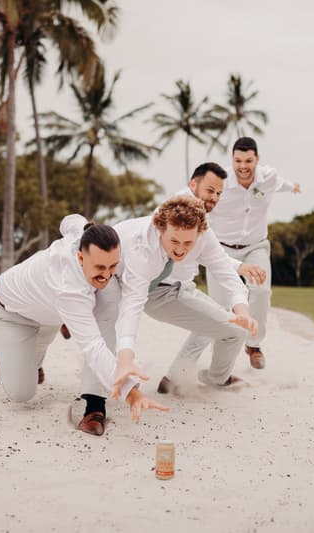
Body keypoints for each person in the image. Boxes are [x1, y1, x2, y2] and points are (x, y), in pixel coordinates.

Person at [0, 214, 167, 436]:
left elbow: (68, 220)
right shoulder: (69, 290)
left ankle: (94, 404)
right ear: (80, 258)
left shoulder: (81, 235)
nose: (107, 275)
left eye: (113, 266)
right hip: (11, 314)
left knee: (110, 294)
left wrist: (84, 226)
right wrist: (132, 393)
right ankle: (4, 355)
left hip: (50, 312)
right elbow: (93, 348)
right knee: (21, 393)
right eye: (100, 267)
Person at [104, 194, 258, 407]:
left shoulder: (204, 235)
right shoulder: (142, 248)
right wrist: (127, 357)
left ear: (200, 233)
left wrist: (242, 312)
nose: (180, 249)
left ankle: (199, 379)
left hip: (171, 288)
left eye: (188, 243)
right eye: (174, 241)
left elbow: (226, 273)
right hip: (112, 283)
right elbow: (132, 306)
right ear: (161, 229)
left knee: (236, 330)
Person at [179, 137, 301, 371]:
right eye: (238, 160)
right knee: (217, 307)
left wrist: (293, 187)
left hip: (255, 247)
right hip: (221, 249)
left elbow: (280, 183)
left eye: (248, 161)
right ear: (232, 160)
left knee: (261, 291)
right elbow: (194, 190)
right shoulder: (221, 181)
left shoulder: (269, 177)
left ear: (257, 160)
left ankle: (253, 345)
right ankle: (200, 365)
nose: (243, 166)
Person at [156, 162, 265, 393]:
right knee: (232, 331)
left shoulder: (193, 214)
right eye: (210, 190)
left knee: (211, 320)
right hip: (165, 290)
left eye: (218, 193)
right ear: (192, 184)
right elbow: (211, 253)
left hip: (180, 288)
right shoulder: (180, 213)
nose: (214, 197)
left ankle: (173, 378)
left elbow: (212, 254)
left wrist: (240, 267)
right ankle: (217, 378)